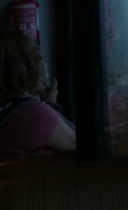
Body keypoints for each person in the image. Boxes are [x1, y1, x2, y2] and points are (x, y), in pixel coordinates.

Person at [0, 29, 76, 160]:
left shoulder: (9, 111)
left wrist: (49, 104)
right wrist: (50, 107)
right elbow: (78, 144)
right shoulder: (32, 114)